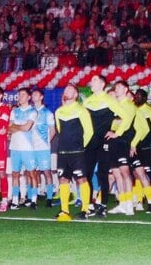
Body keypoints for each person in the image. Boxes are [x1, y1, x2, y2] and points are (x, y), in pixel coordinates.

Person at [54, 83, 93, 221]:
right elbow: (59, 130)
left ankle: (85, 209)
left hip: (77, 152)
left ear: (76, 95)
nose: (67, 91)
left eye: (70, 89)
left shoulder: (82, 110)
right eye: (66, 89)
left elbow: (89, 131)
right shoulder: (58, 111)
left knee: (81, 179)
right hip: (63, 151)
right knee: (63, 179)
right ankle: (64, 210)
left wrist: (81, 147)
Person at [82, 75, 120, 215]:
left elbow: (127, 117)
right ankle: (89, 205)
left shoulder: (110, 100)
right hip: (90, 142)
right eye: (91, 80)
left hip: (105, 142)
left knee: (103, 174)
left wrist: (116, 132)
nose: (91, 82)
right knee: (86, 174)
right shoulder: (87, 102)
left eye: (95, 80)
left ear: (102, 84)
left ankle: (103, 205)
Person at [105, 81, 140, 216]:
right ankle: (122, 203)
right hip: (113, 142)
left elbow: (126, 122)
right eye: (116, 87)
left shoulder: (129, 105)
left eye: (119, 87)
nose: (117, 89)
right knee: (116, 174)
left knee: (125, 173)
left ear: (126, 89)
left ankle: (130, 204)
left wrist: (116, 133)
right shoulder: (114, 106)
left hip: (123, 141)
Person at [131, 88, 151, 213]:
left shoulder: (150, 112)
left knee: (150, 172)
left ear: (144, 98)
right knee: (137, 172)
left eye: (139, 96)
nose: (136, 98)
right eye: (135, 96)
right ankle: (139, 199)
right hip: (136, 145)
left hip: (147, 146)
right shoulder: (132, 109)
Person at [9, 88, 38, 209]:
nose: (20, 97)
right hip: (14, 147)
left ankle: (33, 200)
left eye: (23, 95)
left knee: (32, 174)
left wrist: (15, 126)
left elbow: (27, 128)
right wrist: (18, 126)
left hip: (28, 148)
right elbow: (9, 128)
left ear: (28, 97)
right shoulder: (14, 111)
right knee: (15, 174)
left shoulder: (32, 111)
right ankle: (15, 200)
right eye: (19, 95)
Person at [29, 89, 56, 207]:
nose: (33, 96)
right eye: (33, 94)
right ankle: (32, 198)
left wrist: (46, 143)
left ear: (41, 97)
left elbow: (53, 130)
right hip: (30, 148)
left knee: (46, 172)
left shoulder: (47, 113)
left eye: (36, 94)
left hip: (43, 148)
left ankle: (49, 198)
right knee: (32, 172)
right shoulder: (29, 112)